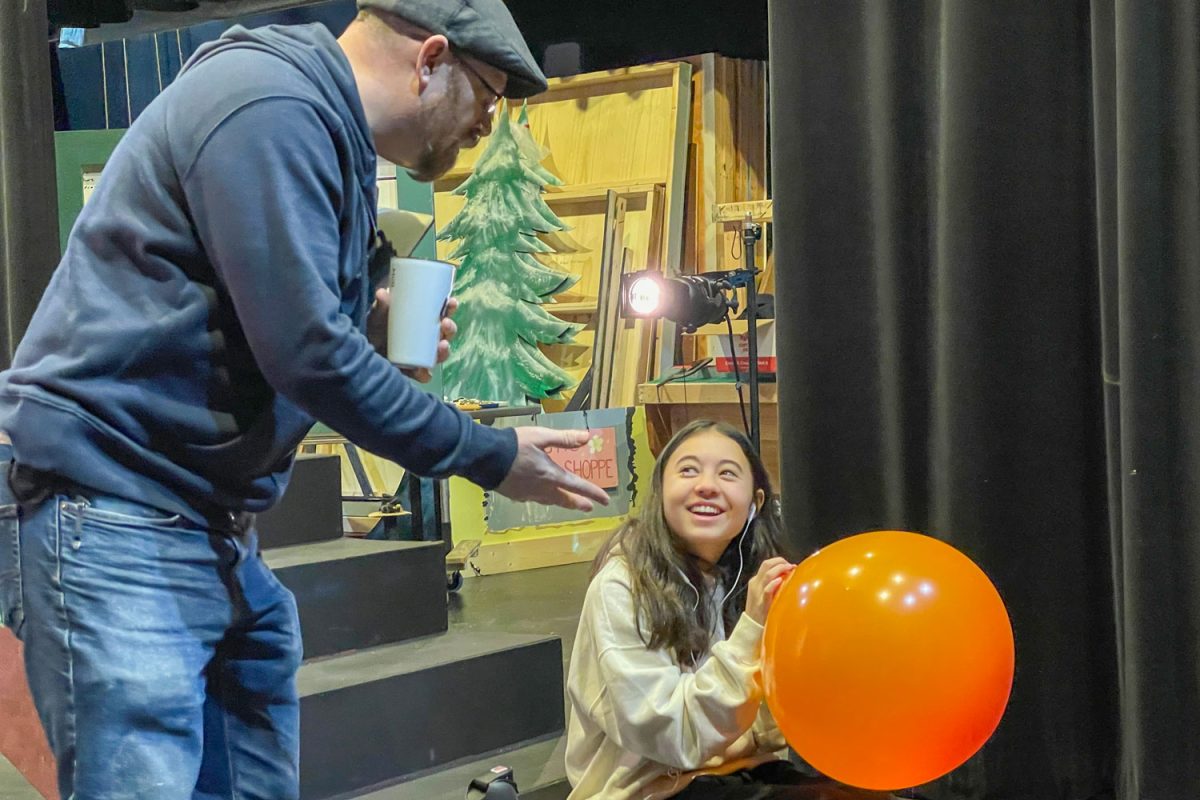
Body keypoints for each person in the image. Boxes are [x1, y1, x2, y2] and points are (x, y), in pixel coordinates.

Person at [0, 1, 607, 798]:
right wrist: (489, 455)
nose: (481, 130)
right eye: (485, 101)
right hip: (113, 505)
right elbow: (309, 357)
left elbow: (279, 316)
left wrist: (373, 320)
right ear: (431, 60)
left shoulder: (327, 135)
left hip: (201, 518)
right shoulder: (267, 105)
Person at [565, 420, 891, 800]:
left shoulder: (751, 574)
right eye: (688, 470)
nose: (706, 485)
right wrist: (751, 628)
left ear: (755, 503)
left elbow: (778, 721)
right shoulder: (622, 586)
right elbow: (674, 737)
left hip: (739, 770)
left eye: (727, 473)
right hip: (650, 788)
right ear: (659, 491)